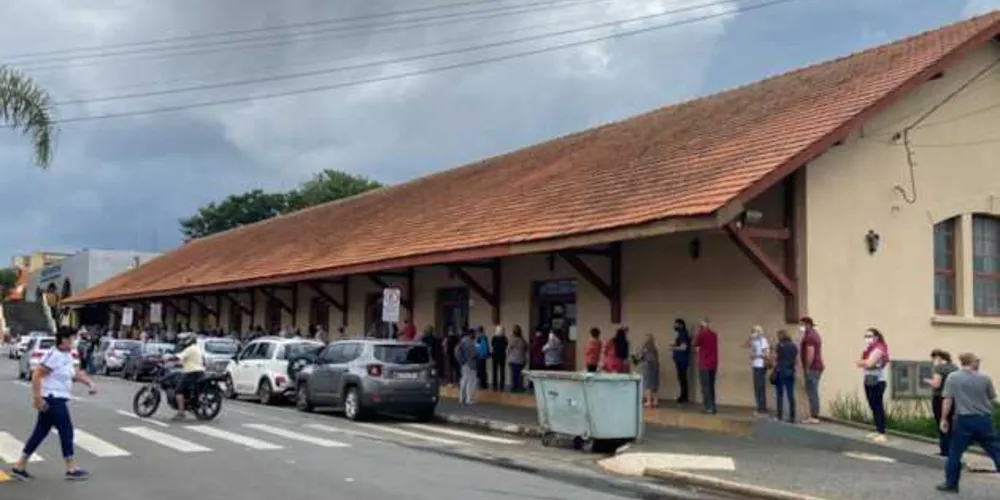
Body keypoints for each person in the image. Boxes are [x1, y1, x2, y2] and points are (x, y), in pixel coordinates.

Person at [8, 327, 98, 481]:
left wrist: (90, 383)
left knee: (40, 432)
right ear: (63, 340)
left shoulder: (67, 355)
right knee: (66, 430)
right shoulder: (53, 355)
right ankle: (70, 468)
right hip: (51, 399)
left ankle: (20, 466)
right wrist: (37, 398)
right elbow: (37, 374)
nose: (74, 341)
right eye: (71, 338)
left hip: (57, 399)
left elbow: (75, 374)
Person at [936, 352, 1000, 493]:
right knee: (996, 450)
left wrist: (944, 418)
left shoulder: (953, 378)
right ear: (972, 362)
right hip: (984, 419)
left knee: (955, 452)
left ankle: (951, 484)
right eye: (977, 361)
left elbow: (947, 400)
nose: (979, 363)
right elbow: (991, 398)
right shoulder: (985, 378)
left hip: (964, 419)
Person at [856, 328, 889, 443]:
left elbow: (869, 363)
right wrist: (865, 362)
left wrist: (865, 362)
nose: (867, 338)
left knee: (877, 405)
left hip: (877, 380)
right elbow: (861, 363)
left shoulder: (879, 349)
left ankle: (882, 432)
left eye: (870, 336)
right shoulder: (869, 349)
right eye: (866, 336)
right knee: (872, 405)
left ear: (876, 337)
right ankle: (877, 429)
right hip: (869, 379)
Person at [925, 349, 958, 456]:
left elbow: (936, 384)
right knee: (951, 423)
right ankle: (953, 449)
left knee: (942, 422)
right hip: (953, 398)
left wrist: (928, 381)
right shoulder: (954, 367)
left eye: (934, 359)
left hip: (940, 398)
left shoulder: (939, 368)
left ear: (938, 358)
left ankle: (944, 450)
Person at [173, 332, 205, 421]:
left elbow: (179, 357)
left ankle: (181, 413)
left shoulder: (190, 349)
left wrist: (169, 358)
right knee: (184, 388)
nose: (182, 342)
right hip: (198, 372)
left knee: (178, 391)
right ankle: (187, 403)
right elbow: (184, 361)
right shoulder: (196, 348)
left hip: (191, 372)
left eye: (184, 340)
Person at [799, 316, 824, 424]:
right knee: (812, 391)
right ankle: (813, 415)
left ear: (807, 324)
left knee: (812, 391)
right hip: (816, 367)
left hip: (813, 368)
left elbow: (810, 353)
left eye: (802, 324)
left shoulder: (810, 336)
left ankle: (814, 416)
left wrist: (807, 368)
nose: (801, 327)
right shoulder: (813, 334)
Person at [694, 319, 719, 414]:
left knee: (705, 386)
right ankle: (713, 406)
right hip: (714, 363)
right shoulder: (714, 335)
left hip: (704, 363)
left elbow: (695, 344)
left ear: (702, 326)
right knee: (711, 385)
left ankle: (708, 407)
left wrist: (698, 334)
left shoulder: (701, 335)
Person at [773, 329, 798, 423]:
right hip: (791, 372)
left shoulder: (780, 345)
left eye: (778, 336)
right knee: (791, 394)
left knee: (780, 394)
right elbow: (795, 360)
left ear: (780, 336)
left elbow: (776, 358)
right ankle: (792, 417)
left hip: (781, 372)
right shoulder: (794, 346)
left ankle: (779, 416)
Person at [747, 325, 770, 415]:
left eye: (755, 331)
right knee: (757, 387)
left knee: (760, 387)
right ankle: (759, 407)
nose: (753, 333)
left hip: (760, 366)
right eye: (752, 331)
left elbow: (766, 355)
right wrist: (750, 338)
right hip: (755, 366)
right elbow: (745, 345)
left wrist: (755, 356)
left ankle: (762, 408)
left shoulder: (763, 340)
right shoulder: (754, 341)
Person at [669, 319, 691, 403]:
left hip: (682, 360)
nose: (675, 326)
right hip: (681, 359)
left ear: (681, 325)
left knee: (682, 378)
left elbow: (683, 347)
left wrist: (673, 348)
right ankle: (683, 395)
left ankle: (684, 396)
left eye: (676, 324)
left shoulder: (682, 334)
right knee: (682, 378)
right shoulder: (682, 334)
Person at [455, 330, 478, 405]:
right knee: (471, 381)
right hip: (470, 363)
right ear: (471, 334)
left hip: (463, 363)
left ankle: (462, 398)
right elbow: (474, 353)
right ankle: (469, 399)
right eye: (474, 334)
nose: (475, 335)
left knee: (464, 380)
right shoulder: (470, 342)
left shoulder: (462, 341)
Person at [638, 334, 660, 408]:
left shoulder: (645, 347)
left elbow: (641, 356)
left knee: (648, 384)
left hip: (648, 366)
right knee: (654, 384)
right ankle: (655, 401)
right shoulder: (654, 348)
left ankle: (648, 401)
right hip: (656, 366)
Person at [507, 325, 527, 392]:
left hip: (513, 360)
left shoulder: (512, 339)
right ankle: (520, 388)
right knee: (520, 376)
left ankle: (513, 388)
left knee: (513, 376)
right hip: (521, 360)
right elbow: (526, 347)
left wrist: (508, 355)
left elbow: (508, 349)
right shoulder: (522, 339)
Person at [490, 325, 508, 391]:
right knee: (502, 371)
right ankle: (502, 386)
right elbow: (506, 345)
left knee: (494, 371)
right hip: (502, 355)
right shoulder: (504, 338)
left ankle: (494, 386)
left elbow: (492, 344)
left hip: (495, 355)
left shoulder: (494, 338)